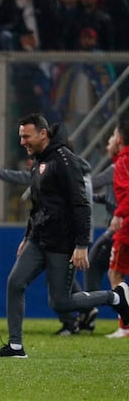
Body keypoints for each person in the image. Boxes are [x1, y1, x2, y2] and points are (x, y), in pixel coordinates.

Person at [0, 114, 129, 358]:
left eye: (26, 136)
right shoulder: (40, 160)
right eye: (20, 136)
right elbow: (38, 205)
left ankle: (114, 296)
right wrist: (27, 235)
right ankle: (15, 346)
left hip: (62, 243)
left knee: (61, 302)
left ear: (43, 134)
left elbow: (81, 203)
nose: (22, 142)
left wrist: (82, 244)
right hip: (39, 239)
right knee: (15, 282)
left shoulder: (64, 159)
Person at [107, 118, 129, 338]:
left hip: (127, 228)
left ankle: (125, 326)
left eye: (112, 136)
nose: (109, 141)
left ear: (120, 140)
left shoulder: (123, 162)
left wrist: (119, 214)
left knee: (115, 273)